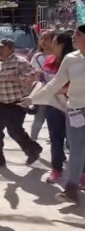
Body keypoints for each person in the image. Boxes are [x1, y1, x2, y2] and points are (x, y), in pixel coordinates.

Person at [21, 25, 85, 203]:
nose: (73, 36)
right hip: (75, 111)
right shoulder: (71, 60)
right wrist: (33, 99)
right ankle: (72, 187)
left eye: (78, 34)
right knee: (76, 149)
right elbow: (55, 84)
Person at [0, 38, 42, 168]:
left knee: (14, 131)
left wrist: (17, 78)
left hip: (16, 104)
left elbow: (32, 78)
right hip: (1, 104)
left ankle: (33, 149)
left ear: (11, 49)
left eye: (2, 47)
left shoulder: (20, 62)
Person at [31, 31, 75, 184]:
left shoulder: (75, 62)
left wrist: (55, 90)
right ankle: (57, 169)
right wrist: (32, 96)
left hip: (75, 108)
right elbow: (43, 83)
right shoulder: (48, 61)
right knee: (55, 140)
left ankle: (81, 173)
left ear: (62, 45)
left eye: (54, 42)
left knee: (75, 143)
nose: (50, 45)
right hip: (54, 106)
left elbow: (75, 86)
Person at [29, 30, 55, 141]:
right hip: (42, 92)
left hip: (57, 93)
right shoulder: (37, 57)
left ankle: (56, 140)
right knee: (39, 119)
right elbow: (32, 73)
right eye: (42, 38)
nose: (43, 41)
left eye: (47, 38)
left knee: (55, 120)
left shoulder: (59, 56)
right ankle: (32, 143)